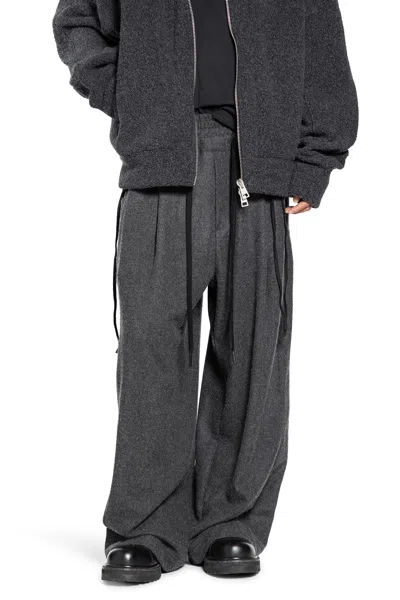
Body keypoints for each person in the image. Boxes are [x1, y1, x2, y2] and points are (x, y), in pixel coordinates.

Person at [53, 0, 358, 584]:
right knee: (150, 348)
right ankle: (145, 526)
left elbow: (322, 42)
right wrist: (132, 95)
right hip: (161, 158)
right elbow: (77, 21)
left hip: (259, 163)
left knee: (252, 346)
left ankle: (229, 521)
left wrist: (314, 158)